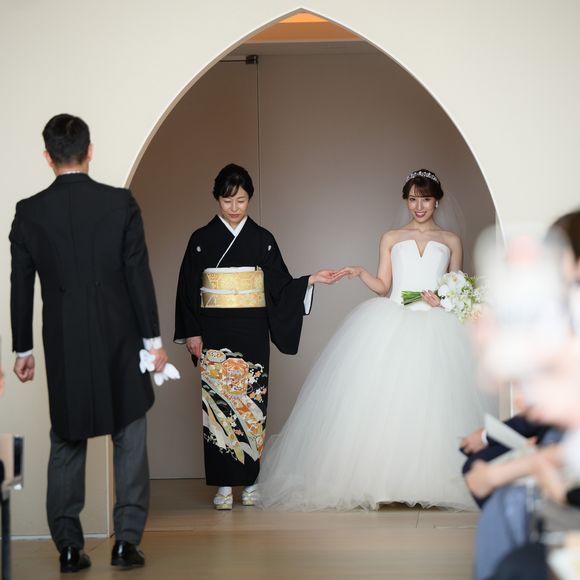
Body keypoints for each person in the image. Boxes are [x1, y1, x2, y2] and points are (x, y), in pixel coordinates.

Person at [257, 169, 490, 511]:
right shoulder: (391, 237)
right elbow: (384, 287)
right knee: (389, 404)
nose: (419, 206)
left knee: (434, 402)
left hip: (436, 326)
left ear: (437, 201)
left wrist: (443, 301)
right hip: (394, 318)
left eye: (425, 199)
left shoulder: (451, 240)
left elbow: (456, 288)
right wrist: (361, 273)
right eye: (412, 199)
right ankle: (384, 483)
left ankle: (431, 482)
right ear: (405, 200)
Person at [10, 114, 167, 573]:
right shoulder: (120, 203)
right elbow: (138, 274)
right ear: (90, 150)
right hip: (120, 335)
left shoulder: (29, 211)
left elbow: (21, 285)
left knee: (66, 437)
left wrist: (23, 349)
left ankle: (68, 548)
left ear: (47, 157)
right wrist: (153, 341)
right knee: (130, 431)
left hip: (64, 341)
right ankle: (126, 543)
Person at [174, 163, 340, 510]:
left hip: (252, 330)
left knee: (252, 403)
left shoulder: (262, 240)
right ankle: (223, 486)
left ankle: (250, 482)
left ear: (249, 199)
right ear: (217, 199)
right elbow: (187, 289)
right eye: (227, 200)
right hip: (214, 330)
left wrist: (309, 280)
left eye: (241, 200)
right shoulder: (201, 240)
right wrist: (192, 332)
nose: (234, 208)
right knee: (218, 406)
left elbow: (280, 285)